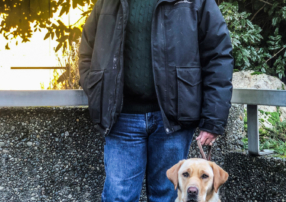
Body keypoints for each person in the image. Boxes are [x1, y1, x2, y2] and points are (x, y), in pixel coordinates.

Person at [78, 0, 233, 201]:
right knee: (118, 196)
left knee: (167, 196)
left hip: (174, 119)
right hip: (121, 117)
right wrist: (98, 91)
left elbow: (218, 55)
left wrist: (212, 120)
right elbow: (87, 52)